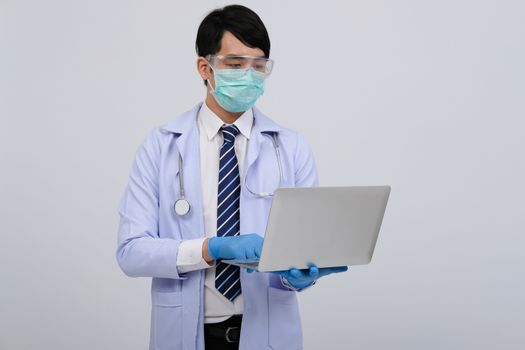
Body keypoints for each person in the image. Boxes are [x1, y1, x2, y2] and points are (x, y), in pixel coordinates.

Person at [116, 4, 347, 350]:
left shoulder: (290, 147)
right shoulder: (161, 146)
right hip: (185, 333)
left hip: (268, 333)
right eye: (236, 65)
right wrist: (210, 248)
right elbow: (131, 252)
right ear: (204, 68)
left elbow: (303, 248)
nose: (249, 75)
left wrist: (299, 277)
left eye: (259, 66)